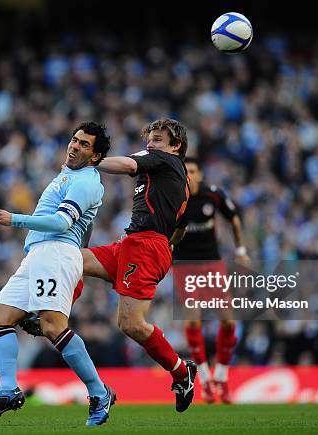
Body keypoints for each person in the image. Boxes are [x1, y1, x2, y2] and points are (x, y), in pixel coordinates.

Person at [0, 122, 115, 426]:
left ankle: (99, 392)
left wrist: (15, 220)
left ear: (95, 156)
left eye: (84, 145)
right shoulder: (68, 175)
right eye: (74, 140)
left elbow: (63, 223)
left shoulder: (88, 181)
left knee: (53, 326)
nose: (74, 146)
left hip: (57, 252)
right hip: (37, 255)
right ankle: (8, 389)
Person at [81, 118, 197, 412]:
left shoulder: (163, 160)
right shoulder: (180, 182)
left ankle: (182, 372)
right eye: (150, 139)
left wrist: (92, 160)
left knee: (130, 324)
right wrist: (168, 245)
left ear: (175, 146)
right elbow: (182, 225)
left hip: (145, 246)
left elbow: (128, 165)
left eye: (158, 139)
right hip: (135, 244)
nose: (151, 143)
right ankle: (46, 320)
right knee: (71, 260)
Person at [171, 157, 250, 404]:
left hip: (212, 264)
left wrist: (240, 251)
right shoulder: (174, 197)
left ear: (201, 174)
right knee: (193, 323)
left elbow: (234, 218)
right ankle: (205, 379)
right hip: (185, 267)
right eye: (186, 172)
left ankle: (222, 376)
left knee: (228, 322)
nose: (190, 176)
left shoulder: (212, 195)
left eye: (193, 171)